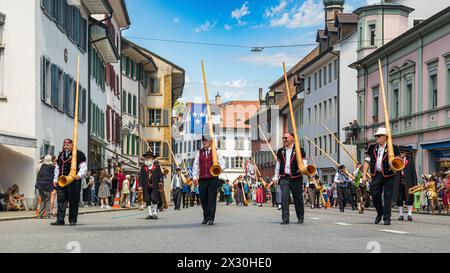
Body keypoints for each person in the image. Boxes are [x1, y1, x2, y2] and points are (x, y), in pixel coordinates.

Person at [362, 127, 400, 226]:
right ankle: (380, 212)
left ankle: (387, 218)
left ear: (385, 137)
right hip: (376, 174)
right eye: (376, 136)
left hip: (389, 175)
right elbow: (367, 161)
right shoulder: (372, 147)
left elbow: (399, 162)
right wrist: (364, 174)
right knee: (374, 194)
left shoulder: (394, 148)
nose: (377, 138)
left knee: (388, 196)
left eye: (379, 136)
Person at [272, 132, 306, 225]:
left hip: (296, 177)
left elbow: (304, 162)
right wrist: (275, 176)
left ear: (292, 138)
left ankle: (300, 218)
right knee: (284, 198)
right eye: (283, 138)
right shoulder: (280, 151)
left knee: (298, 198)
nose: (284, 140)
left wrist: (303, 169)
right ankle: (285, 219)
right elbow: (278, 165)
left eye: (286, 138)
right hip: (284, 177)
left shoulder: (299, 150)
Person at [51, 138, 87, 226]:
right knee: (61, 201)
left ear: (72, 145)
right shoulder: (61, 154)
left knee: (73, 201)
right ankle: (60, 220)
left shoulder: (79, 154)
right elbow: (58, 168)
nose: (66, 147)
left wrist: (79, 175)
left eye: (68, 145)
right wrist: (55, 179)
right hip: (62, 181)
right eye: (65, 145)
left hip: (73, 181)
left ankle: (72, 220)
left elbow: (83, 167)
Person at [192, 135, 226, 226]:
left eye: (206, 140)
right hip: (202, 179)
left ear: (211, 141)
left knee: (211, 199)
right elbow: (196, 165)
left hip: (213, 179)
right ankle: (205, 217)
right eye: (203, 141)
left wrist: (219, 169)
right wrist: (195, 177)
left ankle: (211, 218)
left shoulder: (216, 152)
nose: (204, 142)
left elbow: (223, 163)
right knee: (203, 199)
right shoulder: (199, 152)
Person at [393, 146, 418, 221]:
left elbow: (414, 173)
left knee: (409, 199)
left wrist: (415, 184)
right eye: (400, 153)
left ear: (405, 153)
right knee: (399, 199)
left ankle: (409, 214)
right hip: (399, 183)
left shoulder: (410, 161)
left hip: (408, 183)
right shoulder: (396, 161)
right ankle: (401, 215)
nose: (401, 154)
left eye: (402, 153)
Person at [139, 152, 163, 220]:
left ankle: (155, 213)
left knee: (154, 199)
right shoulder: (143, 167)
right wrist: (140, 185)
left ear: (152, 159)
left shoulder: (157, 167)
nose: (147, 159)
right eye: (146, 158)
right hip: (146, 186)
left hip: (155, 186)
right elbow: (140, 177)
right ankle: (150, 214)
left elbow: (160, 175)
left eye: (149, 158)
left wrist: (161, 183)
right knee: (148, 200)